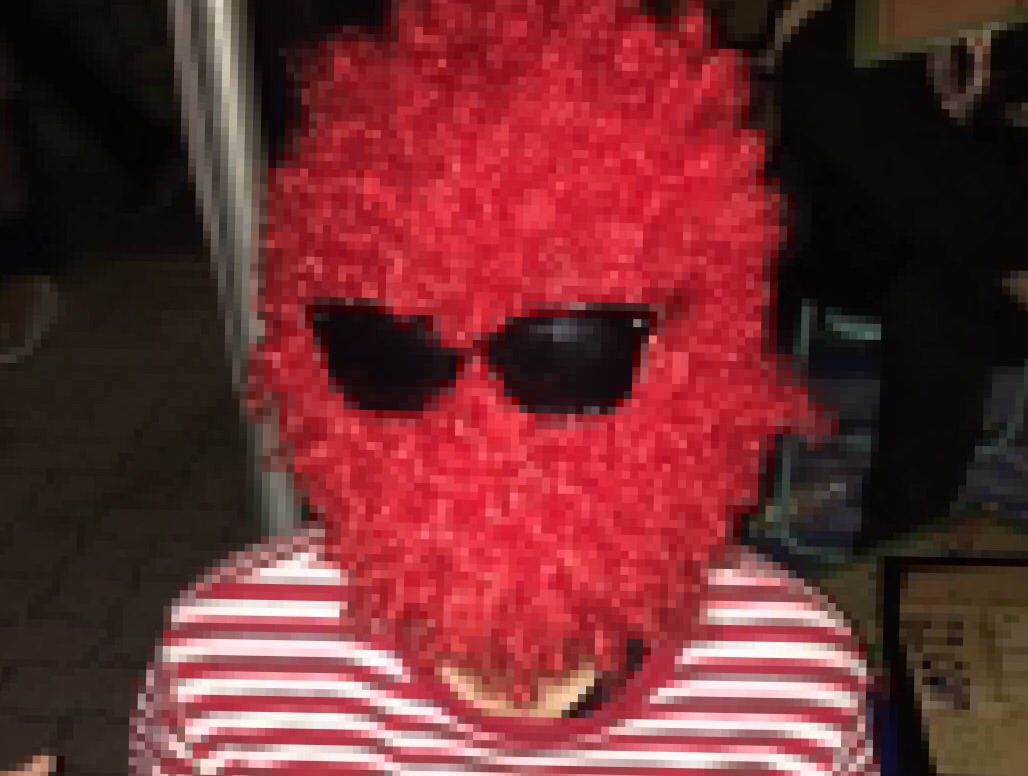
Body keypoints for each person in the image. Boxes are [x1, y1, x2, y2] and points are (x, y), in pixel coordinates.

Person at [10, 2, 881, 772]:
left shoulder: (790, 696)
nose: (482, 427)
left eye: (566, 352)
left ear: (711, 356)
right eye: (388, 351)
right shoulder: (229, 669)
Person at [725, 0, 1028, 553]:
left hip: (969, 238)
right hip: (878, 211)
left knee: (938, 295)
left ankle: (896, 544)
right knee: (826, 46)